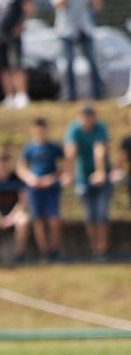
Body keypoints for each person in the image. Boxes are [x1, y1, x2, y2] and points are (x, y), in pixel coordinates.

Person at [50, 0, 104, 101]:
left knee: (92, 62)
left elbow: (93, 7)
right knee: (67, 64)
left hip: (84, 29)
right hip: (65, 30)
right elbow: (58, 4)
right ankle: (69, 95)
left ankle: (97, 94)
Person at [65, 104, 113, 258]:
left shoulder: (100, 128)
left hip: (103, 177)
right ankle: (95, 248)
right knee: (89, 216)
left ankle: (103, 249)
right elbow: (71, 152)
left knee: (101, 215)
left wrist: (100, 172)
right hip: (83, 177)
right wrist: (68, 174)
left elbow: (99, 150)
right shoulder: (74, 129)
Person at [18, 116, 66, 260]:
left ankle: (54, 249)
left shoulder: (54, 147)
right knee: (38, 221)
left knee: (54, 220)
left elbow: (65, 166)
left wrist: (52, 178)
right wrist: (30, 178)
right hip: (34, 188)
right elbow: (21, 167)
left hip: (51, 187)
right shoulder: (29, 148)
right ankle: (44, 252)